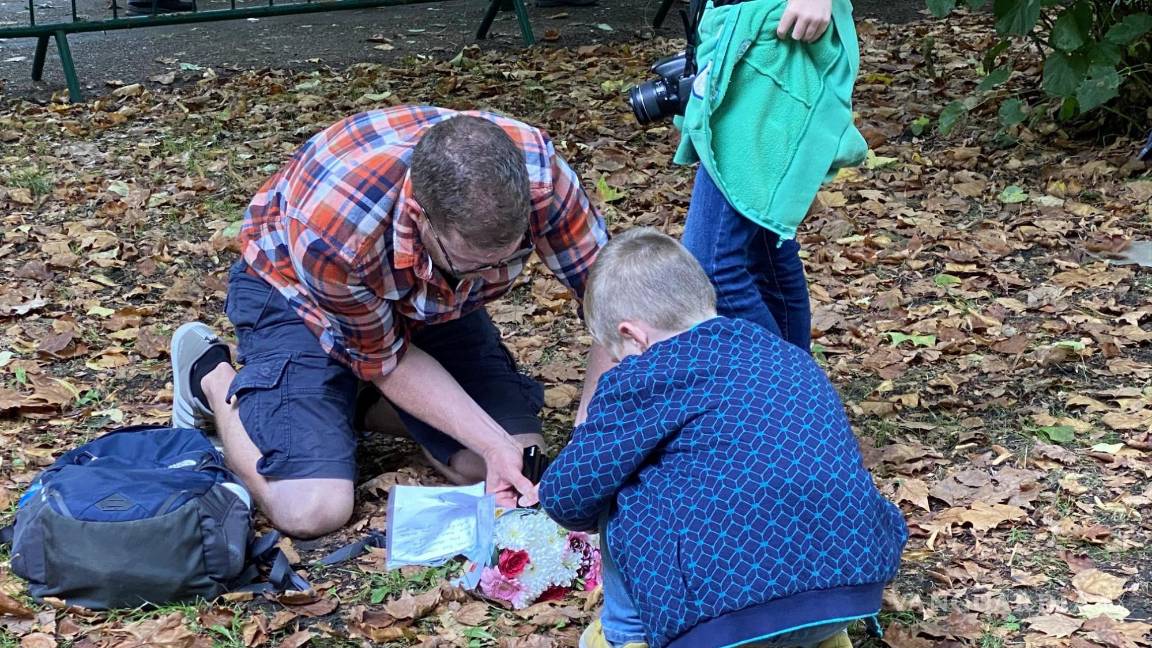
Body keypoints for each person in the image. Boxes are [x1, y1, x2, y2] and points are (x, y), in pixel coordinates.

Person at [169, 106, 612, 538]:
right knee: (311, 508)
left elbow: (613, 310)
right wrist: (492, 440)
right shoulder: (334, 229)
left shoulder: (540, 176)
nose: (492, 274)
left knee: (507, 463)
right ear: (422, 218)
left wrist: (591, 433)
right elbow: (386, 360)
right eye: (473, 263)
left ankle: (351, 404)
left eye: (508, 257)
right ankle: (209, 374)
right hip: (295, 290)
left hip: (427, 301)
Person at [538, 229, 907, 648]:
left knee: (618, 488)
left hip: (719, 620)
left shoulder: (643, 376)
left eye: (616, 354)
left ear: (633, 336)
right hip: (852, 589)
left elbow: (565, 496)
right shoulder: (783, 354)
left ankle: (624, 638)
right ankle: (825, 639)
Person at [675, 0, 869, 351]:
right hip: (738, 29)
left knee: (712, 266)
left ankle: (783, 391)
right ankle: (802, 397)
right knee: (765, 254)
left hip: (772, 37)